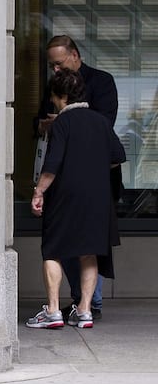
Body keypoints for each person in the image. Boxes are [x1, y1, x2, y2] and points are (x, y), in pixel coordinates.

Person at [26, 68, 125, 329]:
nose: (52, 101)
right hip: (98, 197)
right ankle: (84, 311)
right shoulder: (101, 122)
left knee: (53, 250)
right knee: (88, 252)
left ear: (61, 96)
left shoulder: (62, 123)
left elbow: (52, 164)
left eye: (53, 96)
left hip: (65, 197)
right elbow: (117, 157)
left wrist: (39, 191)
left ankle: (53, 311)